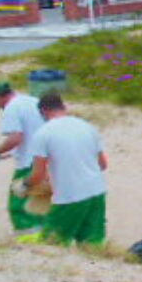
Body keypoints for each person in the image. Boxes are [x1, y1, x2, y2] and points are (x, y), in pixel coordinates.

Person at [28, 93, 109, 246]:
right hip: (97, 192)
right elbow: (103, 164)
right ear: (63, 107)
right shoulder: (88, 127)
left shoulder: (43, 133)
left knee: (51, 243)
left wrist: (25, 184)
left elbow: (38, 175)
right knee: (92, 246)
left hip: (71, 196)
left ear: (43, 111)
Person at [0, 81, 46, 240]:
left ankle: (29, 239)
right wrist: (0, 157)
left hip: (29, 163)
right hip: (48, 160)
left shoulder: (12, 108)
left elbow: (15, 138)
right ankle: (47, 236)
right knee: (40, 201)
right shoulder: (33, 101)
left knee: (17, 204)